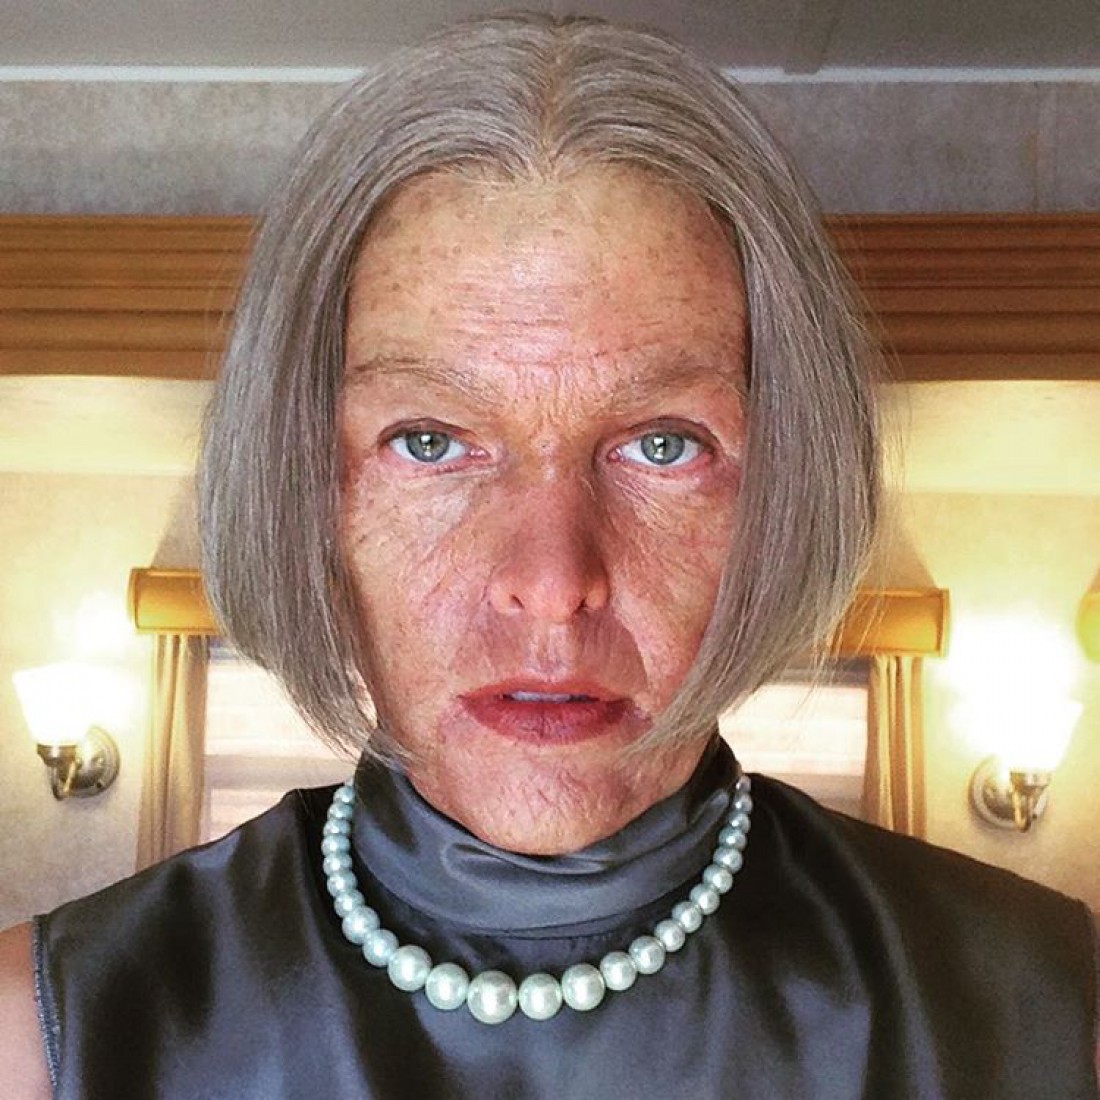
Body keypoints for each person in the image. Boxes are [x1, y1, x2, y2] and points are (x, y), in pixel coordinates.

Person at [1, 13, 1097, 1098]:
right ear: (308, 493)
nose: (551, 583)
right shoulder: (43, 1036)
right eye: (428, 441)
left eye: (663, 445)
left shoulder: (1046, 1012)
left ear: (780, 488)